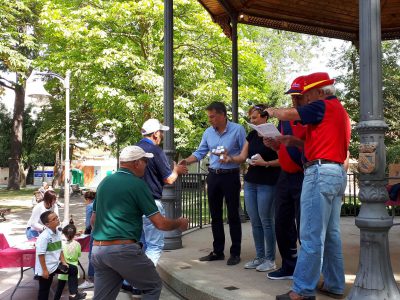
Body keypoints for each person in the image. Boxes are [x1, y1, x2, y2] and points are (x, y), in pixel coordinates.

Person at [265, 72, 351, 300]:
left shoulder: (322, 105)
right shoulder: (339, 111)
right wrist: (293, 141)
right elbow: (322, 143)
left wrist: (272, 112)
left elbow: (290, 113)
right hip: (335, 173)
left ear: (320, 91)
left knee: (311, 235)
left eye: (307, 93)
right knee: (331, 235)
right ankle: (334, 284)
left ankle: (302, 291)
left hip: (319, 173)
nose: (305, 98)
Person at [91, 145, 189, 300]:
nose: (147, 164)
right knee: (153, 286)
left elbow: (93, 220)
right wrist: (179, 222)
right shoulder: (137, 184)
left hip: (98, 251)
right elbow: (160, 224)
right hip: (123, 251)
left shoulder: (104, 182)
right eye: (145, 161)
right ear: (136, 163)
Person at [179, 101, 246, 266]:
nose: (210, 120)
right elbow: (200, 152)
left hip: (230, 175)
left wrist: (233, 159)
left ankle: (235, 253)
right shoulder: (208, 132)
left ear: (223, 115)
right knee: (215, 216)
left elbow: (245, 153)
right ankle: (218, 251)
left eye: (212, 117)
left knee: (233, 215)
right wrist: (186, 161)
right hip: (214, 176)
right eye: (209, 117)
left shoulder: (238, 130)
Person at [221, 104, 280, 272]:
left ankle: (270, 259)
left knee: (266, 221)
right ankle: (259, 257)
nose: (252, 121)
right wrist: (229, 158)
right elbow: (242, 156)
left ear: (265, 117)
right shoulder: (252, 135)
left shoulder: (275, 135)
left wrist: (266, 163)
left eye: (255, 117)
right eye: (251, 118)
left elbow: (284, 160)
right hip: (251, 182)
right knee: (255, 222)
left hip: (268, 182)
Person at [264, 76, 307, 280]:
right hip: (285, 176)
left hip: (304, 175)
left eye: (298, 96)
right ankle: (289, 266)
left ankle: (306, 270)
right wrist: (274, 145)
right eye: (292, 97)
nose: (294, 101)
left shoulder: (312, 118)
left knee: (304, 225)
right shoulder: (284, 120)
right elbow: (282, 145)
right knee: (281, 222)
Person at [136, 118, 188, 264]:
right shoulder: (156, 151)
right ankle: (145, 281)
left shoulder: (135, 149)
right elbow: (169, 179)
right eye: (161, 133)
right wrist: (177, 170)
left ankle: (132, 282)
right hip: (151, 203)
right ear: (156, 134)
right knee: (154, 245)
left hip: (133, 203)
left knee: (138, 244)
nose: (162, 137)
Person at [35, 211, 86, 300]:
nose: (57, 219)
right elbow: (40, 254)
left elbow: (60, 249)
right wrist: (45, 270)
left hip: (55, 264)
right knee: (44, 290)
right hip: (46, 267)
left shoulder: (58, 232)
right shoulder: (44, 237)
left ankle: (73, 294)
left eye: (57, 217)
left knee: (73, 269)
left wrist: (63, 261)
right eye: (54, 219)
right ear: (47, 224)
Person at [54, 222, 86, 300]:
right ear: (75, 234)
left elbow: (59, 255)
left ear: (64, 234)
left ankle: (56, 298)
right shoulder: (77, 244)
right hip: (74, 267)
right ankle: (75, 295)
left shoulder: (62, 244)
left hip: (64, 267)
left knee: (60, 287)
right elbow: (78, 255)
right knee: (73, 285)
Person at [78, 191, 96, 290]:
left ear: (87, 199)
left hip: (95, 232)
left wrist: (85, 232)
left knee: (91, 255)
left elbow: (89, 223)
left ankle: (91, 279)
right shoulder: (101, 203)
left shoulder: (90, 206)